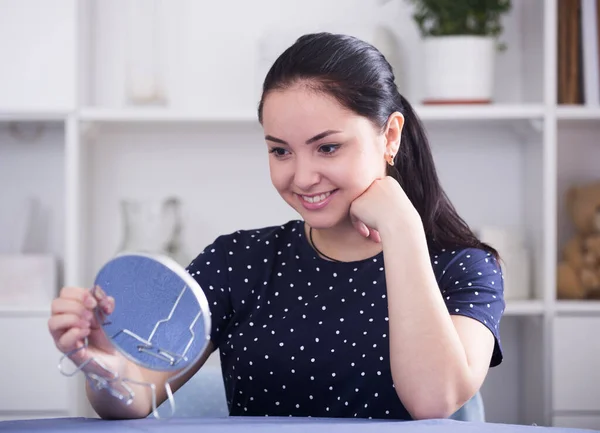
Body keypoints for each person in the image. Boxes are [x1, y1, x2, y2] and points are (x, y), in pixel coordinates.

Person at [48, 32, 505, 421]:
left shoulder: (465, 268)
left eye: (327, 148)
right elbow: (138, 393)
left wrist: (403, 226)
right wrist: (105, 364)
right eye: (281, 151)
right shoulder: (237, 262)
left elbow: (434, 400)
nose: (302, 177)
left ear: (389, 136)